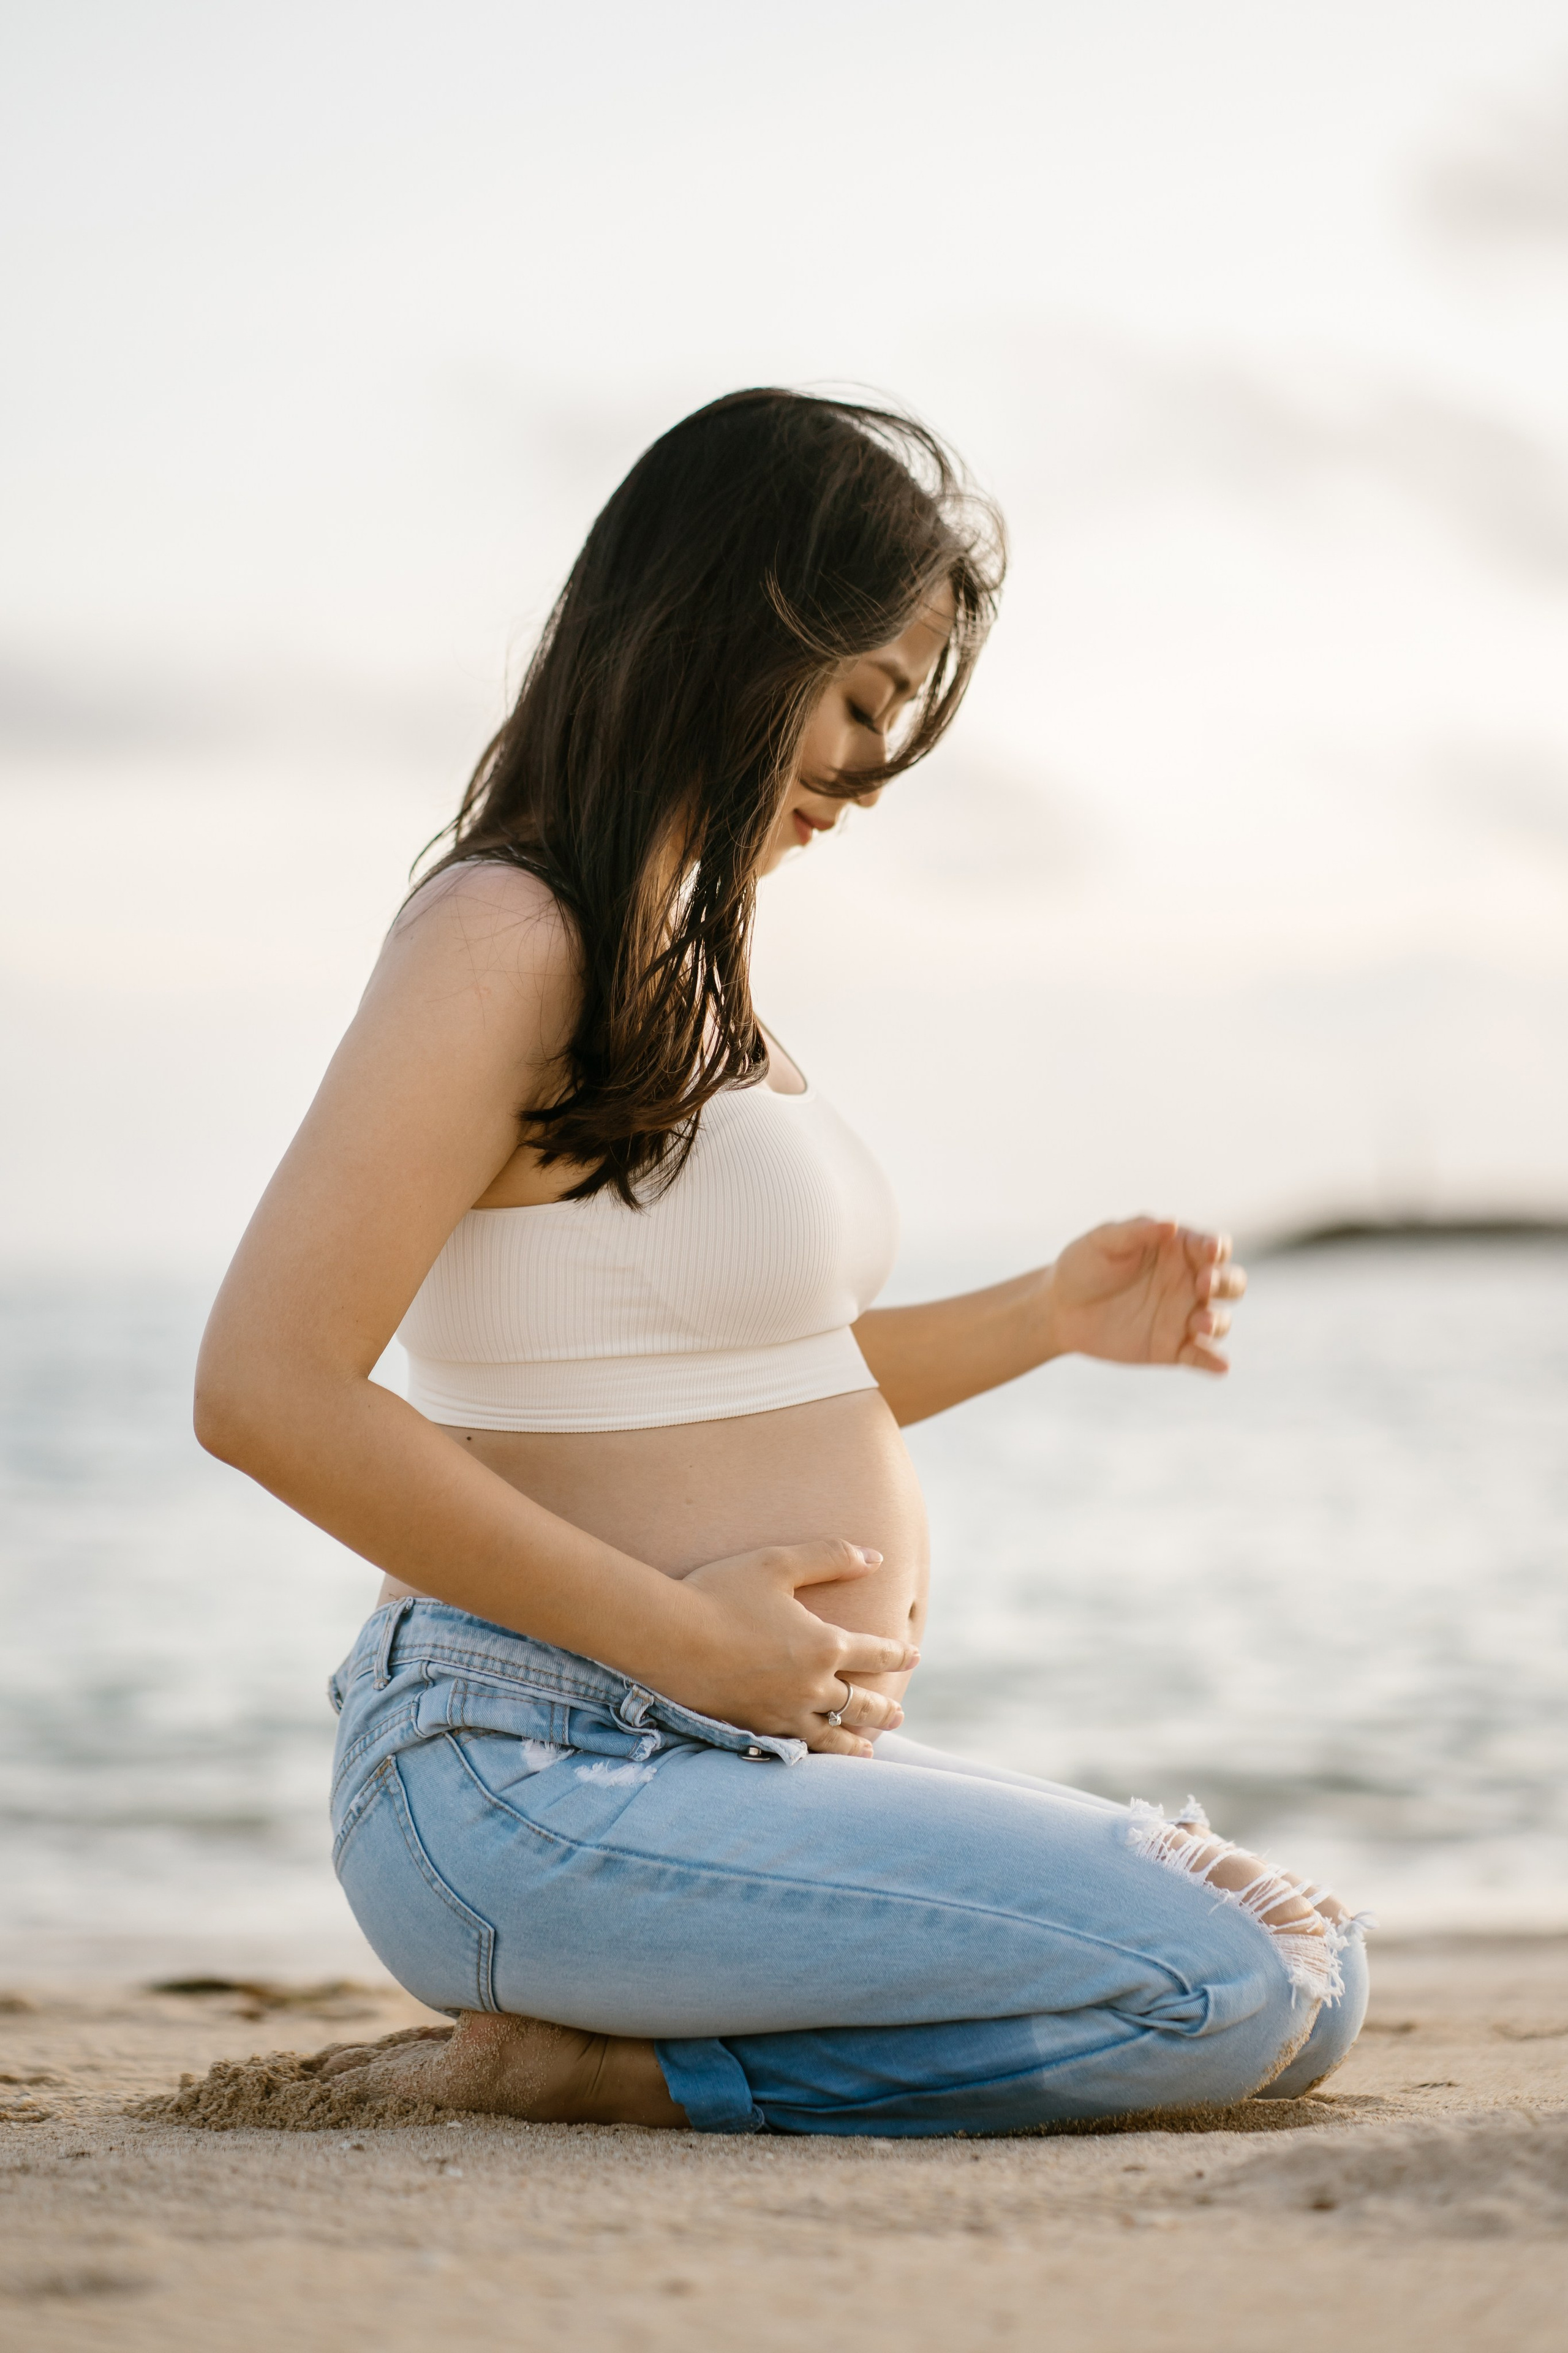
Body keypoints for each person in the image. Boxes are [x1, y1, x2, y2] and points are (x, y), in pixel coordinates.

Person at [195, 388, 1367, 2136]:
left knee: (1311, 1958)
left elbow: (740, 1387)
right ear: (734, 632)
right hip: (525, 1767)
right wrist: (686, 1639)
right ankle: (627, 2076)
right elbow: (264, 1389)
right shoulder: (509, 931)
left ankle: (626, 2062)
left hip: (705, 1751)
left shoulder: (674, 972)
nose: (871, 772)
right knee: (1231, 1974)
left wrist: (1049, 1317)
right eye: (863, 701)